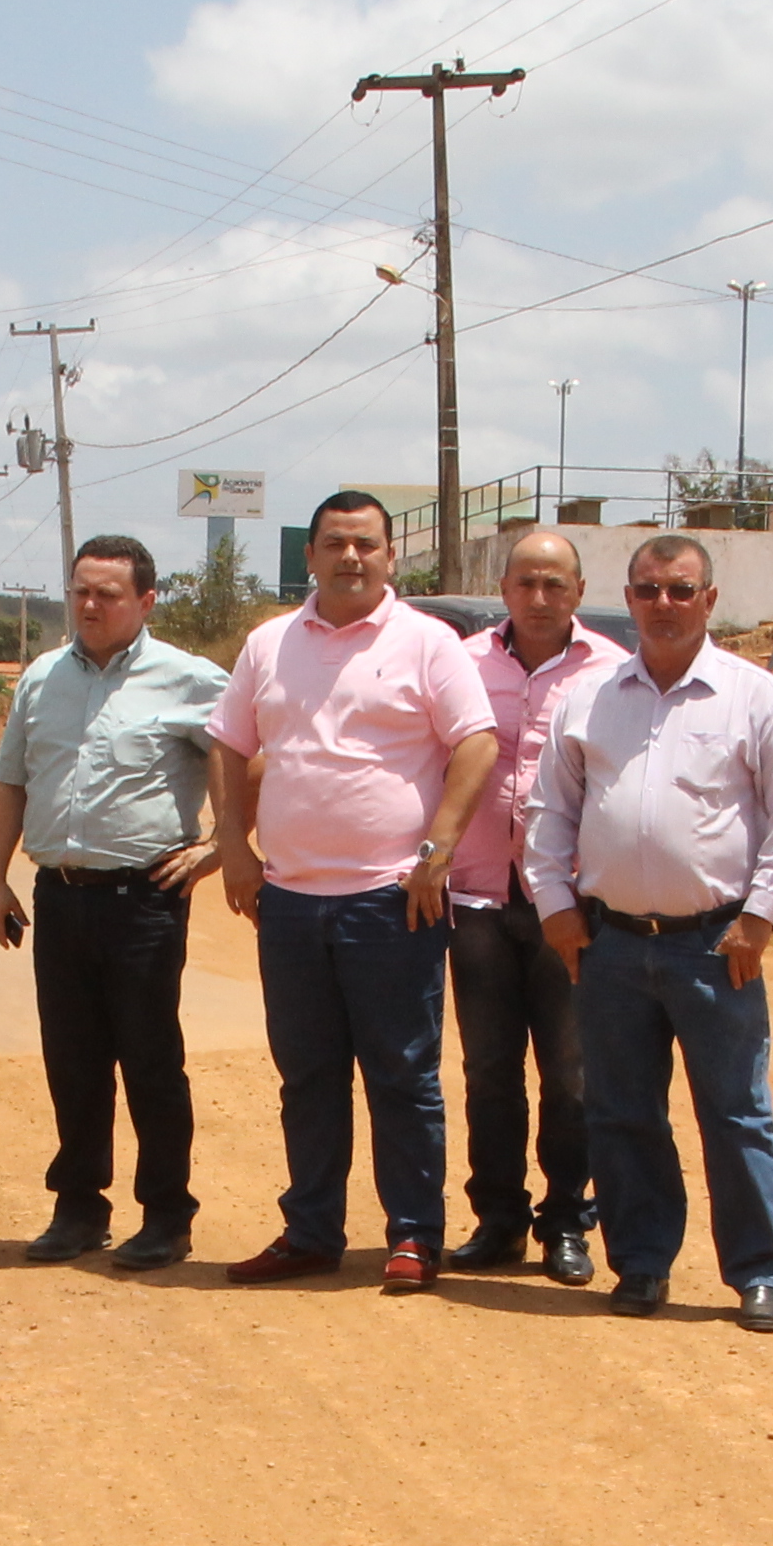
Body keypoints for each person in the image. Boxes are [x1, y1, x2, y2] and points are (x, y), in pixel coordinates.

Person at [520, 532, 773, 1333]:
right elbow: (551, 811)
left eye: (681, 590)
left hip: (715, 944)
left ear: (710, 601)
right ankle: (643, 1263)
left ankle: (758, 1273)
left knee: (734, 1112)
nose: (664, 604)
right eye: (649, 590)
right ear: (626, 600)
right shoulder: (588, 698)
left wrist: (760, 917)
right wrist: (555, 907)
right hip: (611, 943)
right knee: (622, 1112)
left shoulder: (753, 697)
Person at [202, 492, 498, 1291]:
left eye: (366, 544)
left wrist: (436, 851)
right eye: (335, 543)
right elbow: (229, 746)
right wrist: (234, 847)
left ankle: (412, 1235)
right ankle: (311, 1232)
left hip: (391, 900)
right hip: (289, 901)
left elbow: (475, 743)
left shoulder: (429, 645)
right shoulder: (269, 645)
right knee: (307, 1074)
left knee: (402, 1073)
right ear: (311, 555)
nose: (351, 558)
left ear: (391, 556)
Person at [0, 535, 229, 1270]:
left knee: (150, 1060)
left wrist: (221, 844)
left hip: (143, 899)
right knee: (73, 1061)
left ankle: (167, 1216)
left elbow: (248, 757)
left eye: (108, 593)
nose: (90, 605)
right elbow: (9, 783)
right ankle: (79, 1208)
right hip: (61, 897)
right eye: (80, 590)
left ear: (146, 601)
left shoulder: (190, 679)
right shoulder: (43, 678)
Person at [445, 528, 619, 1286]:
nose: (540, 597)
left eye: (556, 584)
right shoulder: (463, 664)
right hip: (476, 897)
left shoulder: (614, 673)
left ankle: (567, 1224)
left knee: (572, 1072)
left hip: (571, 907)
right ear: (504, 589)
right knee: (488, 1070)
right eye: (525, 583)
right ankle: (498, 1220)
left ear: (578, 592)